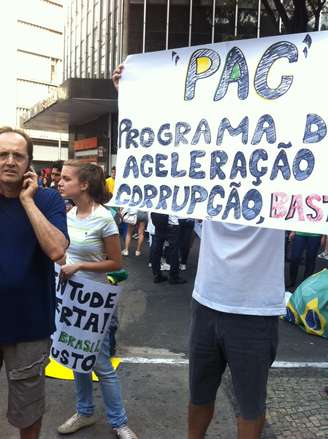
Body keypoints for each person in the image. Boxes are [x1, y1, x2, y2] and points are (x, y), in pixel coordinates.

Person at [57, 160, 137, 439]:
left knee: (101, 363)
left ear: (84, 184)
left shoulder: (104, 218)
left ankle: (119, 422)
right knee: (77, 357)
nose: (59, 182)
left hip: (96, 301)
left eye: (66, 178)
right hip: (70, 299)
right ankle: (84, 412)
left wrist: (78, 267)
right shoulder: (67, 213)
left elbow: (116, 263)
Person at [0, 127, 69, 439]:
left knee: (28, 412)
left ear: (29, 163)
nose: (9, 161)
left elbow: (57, 250)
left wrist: (28, 202)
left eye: (18, 155)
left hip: (28, 326)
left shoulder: (48, 198)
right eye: (3, 154)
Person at [188, 222, 285, 439]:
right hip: (206, 301)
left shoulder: (285, 189)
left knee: (251, 403)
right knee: (199, 393)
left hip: (256, 310)